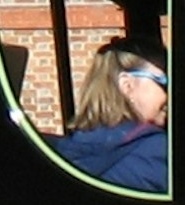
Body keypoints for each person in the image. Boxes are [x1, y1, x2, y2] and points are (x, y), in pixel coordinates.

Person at [51, 37, 170, 193]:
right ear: (127, 86)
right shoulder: (156, 149)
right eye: (165, 83)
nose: (172, 94)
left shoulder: (72, 146)